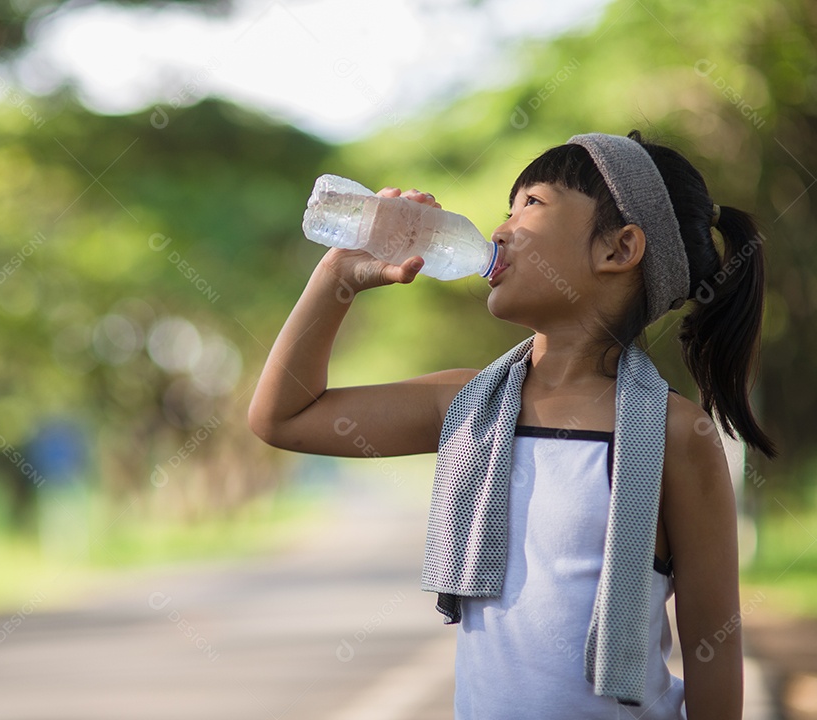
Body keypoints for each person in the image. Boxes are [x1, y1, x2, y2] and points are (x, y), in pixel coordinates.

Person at [248, 130, 776, 720]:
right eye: (507, 207)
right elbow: (284, 417)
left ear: (618, 249)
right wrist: (337, 276)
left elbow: (715, 648)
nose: (500, 229)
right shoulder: (466, 404)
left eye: (532, 204)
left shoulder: (676, 434)